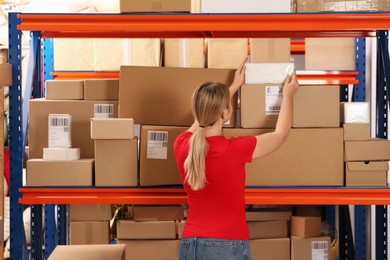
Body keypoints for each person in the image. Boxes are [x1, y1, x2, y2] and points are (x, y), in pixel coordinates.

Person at [173, 58, 299, 260]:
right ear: (225, 112)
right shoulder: (234, 149)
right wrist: (288, 95)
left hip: (190, 245)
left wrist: (231, 88)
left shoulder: (181, 145)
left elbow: (202, 118)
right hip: (226, 245)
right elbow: (281, 135)